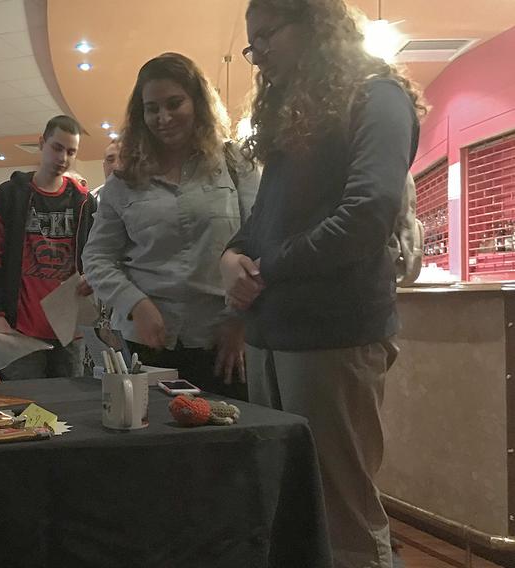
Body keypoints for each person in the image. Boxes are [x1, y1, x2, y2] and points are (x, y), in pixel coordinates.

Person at [219, 1, 426, 565]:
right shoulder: (297, 112)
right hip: (273, 335)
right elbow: (263, 219)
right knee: (290, 510)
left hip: (334, 335)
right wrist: (233, 255)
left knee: (345, 520)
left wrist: (266, 270)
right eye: (250, 44)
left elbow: (367, 213)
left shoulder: (377, 95)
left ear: (314, 24)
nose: (257, 54)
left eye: (268, 36)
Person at [82, 52, 259, 398]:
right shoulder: (124, 180)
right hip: (145, 345)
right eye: (152, 108)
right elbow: (97, 258)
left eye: (174, 103)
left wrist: (240, 322)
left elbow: (261, 242)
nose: (163, 117)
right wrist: (135, 303)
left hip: (224, 343)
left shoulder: (236, 163)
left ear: (198, 103)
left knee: (226, 445)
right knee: (156, 450)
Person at [0, 115, 97, 379]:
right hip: (20, 331)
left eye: (71, 151)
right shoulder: (10, 195)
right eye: (57, 147)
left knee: (69, 408)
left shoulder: (83, 201)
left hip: (70, 331)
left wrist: (95, 275)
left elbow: (100, 254)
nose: (63, 158)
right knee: (25, 409)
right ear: (42, 143)